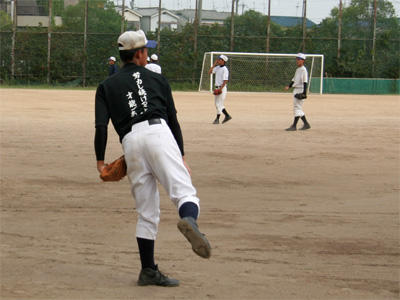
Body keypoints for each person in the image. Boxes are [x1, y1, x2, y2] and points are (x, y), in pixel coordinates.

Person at [94, 30, 211, 287]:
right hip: (159, 133)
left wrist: (100, 163)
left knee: (147, 213)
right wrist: (181, 155)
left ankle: (148, 271)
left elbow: (101, 127)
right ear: (139, 54)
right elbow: (174, 120)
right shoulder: (157, 78)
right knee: (185, 194)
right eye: (145, 50)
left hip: (131, 143)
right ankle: (189, 219)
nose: (147, 54)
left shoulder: (106, 86)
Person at [284, 53, 311, 131]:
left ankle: (294, 126)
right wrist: (289, 86)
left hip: (300, 89)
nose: (297, 61)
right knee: (298, 108)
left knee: (297, 108)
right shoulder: (298, 69)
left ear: (303, 61)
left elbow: (305, 82)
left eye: (299, 59)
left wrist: (304, 93)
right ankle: (306, 124)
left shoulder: (303, 70)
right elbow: (294, 79)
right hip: (296, 89)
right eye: (297, 59)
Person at [208, 55, 232, 124]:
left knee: (219, 104)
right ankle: (227, 116)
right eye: (218, 59)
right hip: (216, 88)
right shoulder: (217, 67)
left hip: (222, 88)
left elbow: (225, 81)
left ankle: (217, 119)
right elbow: (210, 72)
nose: (218, 60)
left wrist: (220, 89)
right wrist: (214, 65)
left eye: (220, 59)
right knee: (217, 104)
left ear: (223, 61)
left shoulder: (225, 69)